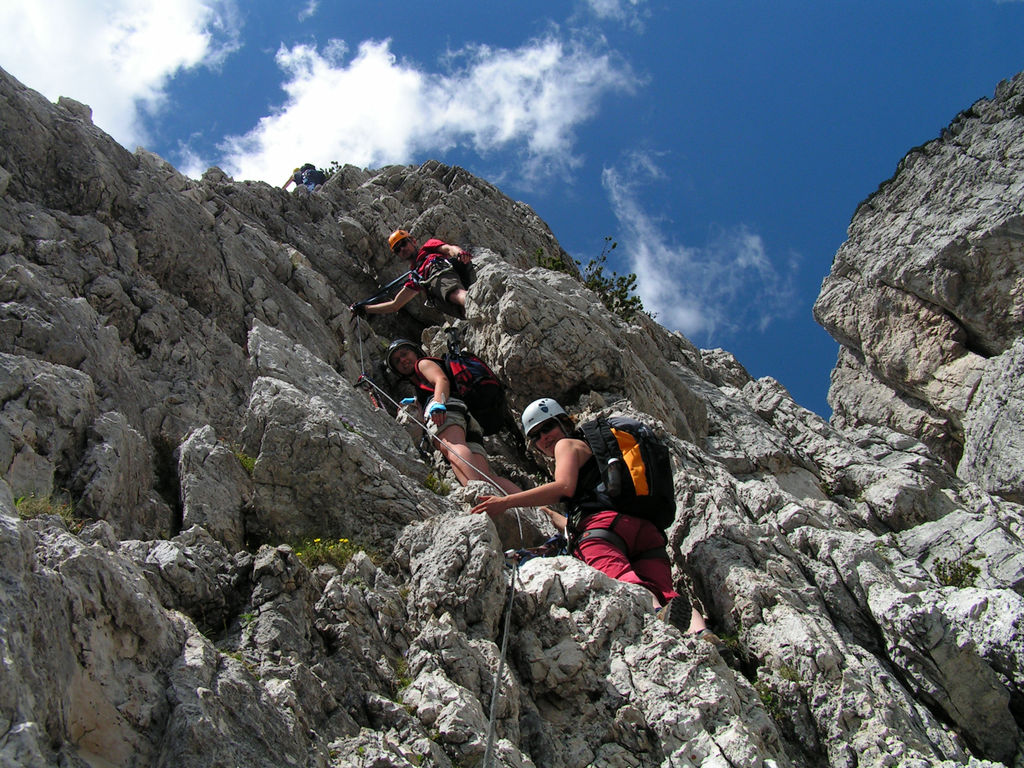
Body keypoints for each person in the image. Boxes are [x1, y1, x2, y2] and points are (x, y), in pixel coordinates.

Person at [471, 398, 714, 639]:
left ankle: (656, 612)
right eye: (536, 435)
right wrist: (548, 514)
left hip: (604, 531)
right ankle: (702, 634)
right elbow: (575, 514)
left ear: (565, 423)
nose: (544, 437)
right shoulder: (597, 458)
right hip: (647, 531)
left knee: (625, 580)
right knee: (667, 591)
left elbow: (564, 487)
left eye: (548, 427)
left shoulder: (566, 445)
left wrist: (505, 502)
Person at [386, 339, 520, 495]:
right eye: (397, 361)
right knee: (486, 476)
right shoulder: (419, 380)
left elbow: (440, 380)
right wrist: (417, 403)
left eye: (404, 354)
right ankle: (527, 507)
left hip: (446, 411)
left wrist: (437, 403)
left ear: (415, 352)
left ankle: (481, 495)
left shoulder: (422, 364)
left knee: (453, 448)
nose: (402, 360)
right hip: (465, 416)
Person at [352, 230, 473, 318]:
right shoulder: (414, 277)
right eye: (397, 250)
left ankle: (473, 302)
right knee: (457, 307)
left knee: (450, 292)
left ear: (413, 241)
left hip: (439, 272)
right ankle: (473, 307)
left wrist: (459, 254)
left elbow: (448, 249)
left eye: (403, 243)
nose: (402, 249)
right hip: (439, 295)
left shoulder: (428, 248)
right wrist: (365, 308)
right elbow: (395, 305)